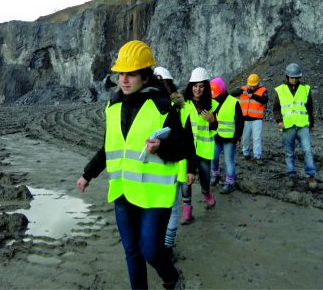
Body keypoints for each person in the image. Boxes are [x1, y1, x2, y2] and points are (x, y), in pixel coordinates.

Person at [76, 40, 184, 289]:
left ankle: (171, 279)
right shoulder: (112, 106)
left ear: (145, 77)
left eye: (131, 74)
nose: (124, 79)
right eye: (121, 73)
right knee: (132, 253)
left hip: (154, 196)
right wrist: (87, 175)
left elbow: (183, 147)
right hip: (123, 191)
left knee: (151, 252)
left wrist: (161, 147)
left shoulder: (163, 106)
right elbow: (109, 148)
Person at [154, 66, 196, 259]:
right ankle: (160, 243)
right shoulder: (150, 107)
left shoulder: (182, 109)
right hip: (154, 167)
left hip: (174, 165)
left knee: (171, 208)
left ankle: (167, 246)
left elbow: (188, 142)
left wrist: (191, 168)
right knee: (158, 209)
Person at [180, 67, 218, 219]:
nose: (198, 89)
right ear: (191, 87)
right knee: (186, 178)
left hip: (203, 148)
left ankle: (205, 192)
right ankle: (187, 208)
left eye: (201, 86)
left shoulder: (213, 105)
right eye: (195, 86)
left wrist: (213, 120)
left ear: (206, 87)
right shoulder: (183, 104)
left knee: (205, 177)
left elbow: (216, 128)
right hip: (186, 148)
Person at [272, 63, 318, 190]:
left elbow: (310, 108)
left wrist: (311, 124)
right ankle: (291, 175)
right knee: (289, 153)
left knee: (307, 150)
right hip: (287, 127)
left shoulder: (305, 89)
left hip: (303, 125)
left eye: (297, 77)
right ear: (287, 77)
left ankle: (311, 176)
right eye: (292, 77)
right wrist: (278, 121)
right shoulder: (280, 90)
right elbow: (276, 109)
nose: (295, 79)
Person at [209, 77, 244, 194]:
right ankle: (215, 175)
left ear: (222, 92)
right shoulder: (214, 102)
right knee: (213, 157)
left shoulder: (234, 103)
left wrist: (237, 137)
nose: (215, 98)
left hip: (230, 139)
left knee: (229, 160)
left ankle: (230, 182)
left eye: (217, 96)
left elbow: (240, 122)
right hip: (217, 137)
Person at [238, 74, 268, 165]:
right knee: (245, 137)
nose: (252, 86)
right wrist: (241, 91)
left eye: (254, 85)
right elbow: (232, 93)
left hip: (257, 119)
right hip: (245, 118)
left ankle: (257, 155)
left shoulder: (263, 90)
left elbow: (264, 100)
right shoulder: (243, 88)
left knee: (257, 138)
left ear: (258, 83)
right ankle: (245, 153)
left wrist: (252, 95)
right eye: (250, 85)